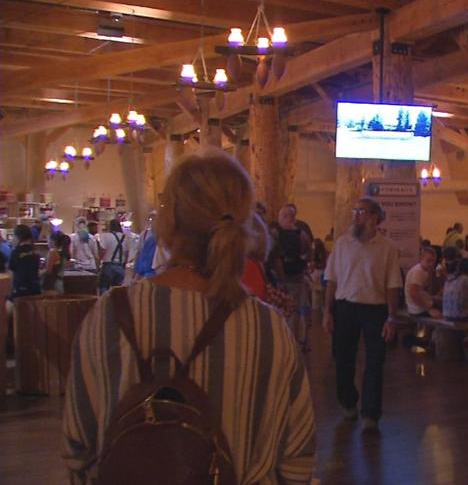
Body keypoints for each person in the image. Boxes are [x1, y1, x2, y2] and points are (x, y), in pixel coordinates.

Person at [62, 153, 315, 483]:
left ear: (169, 223)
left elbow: (78, 450)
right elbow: (298, 460)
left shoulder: (109, 315)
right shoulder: (269, 329)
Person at [323, 196, 403, 433]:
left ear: (375, 217)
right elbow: (331, 279)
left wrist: (391, 317)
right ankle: (348, 402)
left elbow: (393, 285)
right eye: (355, 211)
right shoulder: (342, 244)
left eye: (361, 211)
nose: (356, 216)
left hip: (375, 309)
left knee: (375, 361)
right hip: (345, 307)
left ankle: (370, 413)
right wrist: (327, 311)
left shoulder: (387, 248)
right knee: (343, 359)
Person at [272, 204, 314, 345]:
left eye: (281, 216)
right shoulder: (301, 234)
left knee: (281, 310)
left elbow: (274, 258)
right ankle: (294, 340)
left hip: (281, 279)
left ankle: (282, 340)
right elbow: (309, 253)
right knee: (295, 311)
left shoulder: (275, 233)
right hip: (296, 278)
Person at [405, 246, 442, 318]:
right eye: (428, 261)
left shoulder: (424, 270)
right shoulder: (418, 271)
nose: (431, 264)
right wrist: (430, 310)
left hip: (421, 306)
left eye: (433, 261)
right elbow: (413, 294)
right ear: (421, 259)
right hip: (418, 310)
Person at [8, 224, 41, 300]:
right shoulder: (35, 251)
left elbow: (11, 273)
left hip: (21, 288)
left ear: (18, 236)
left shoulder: (16, 252)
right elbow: (38, 270)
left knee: (9, 304)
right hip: (35, 287)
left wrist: (12, 289)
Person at [97, 219, 128, 294]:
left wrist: (98, 262)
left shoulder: (106, 236)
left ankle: (104, 301)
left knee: (104, 287)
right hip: (120, 266)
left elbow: (102, 251)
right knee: (117, 290)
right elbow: (127, 253)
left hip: (108, 265)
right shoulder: (126, 237)